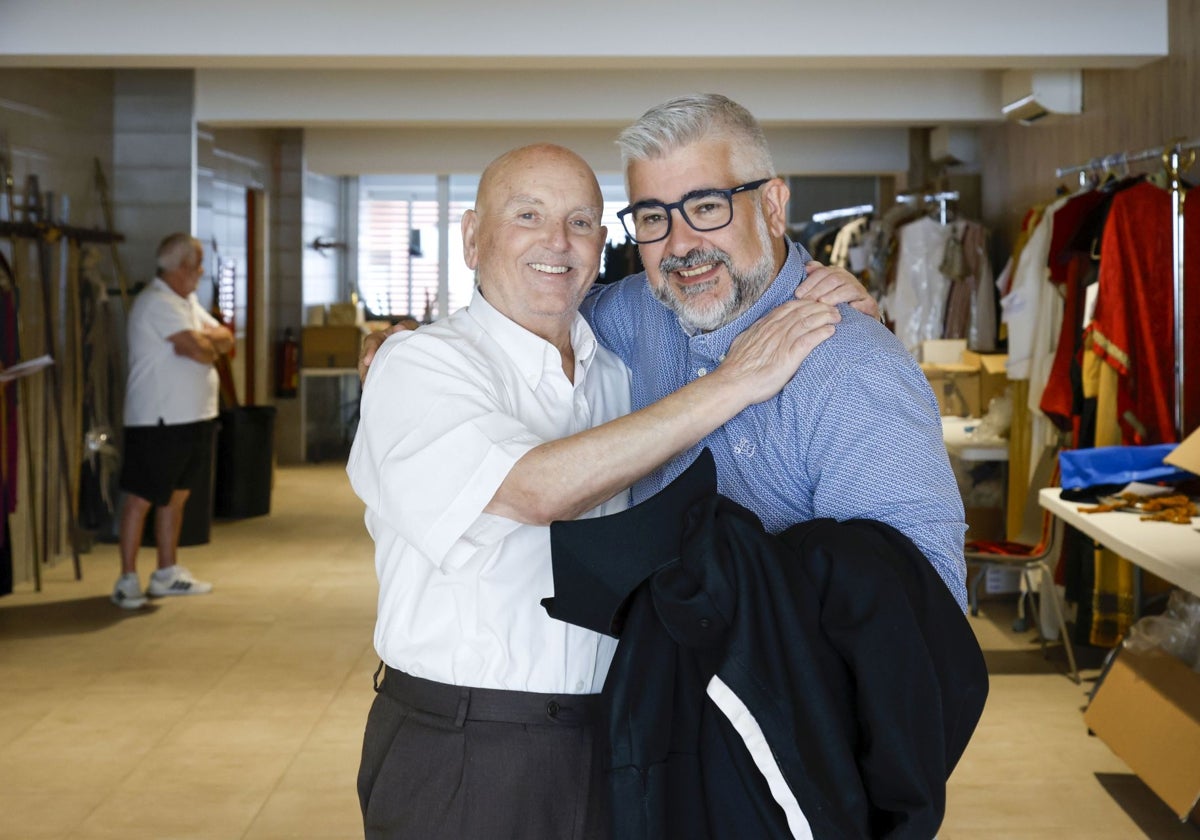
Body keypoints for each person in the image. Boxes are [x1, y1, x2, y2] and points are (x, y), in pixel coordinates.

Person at [346, 143, 843, 840]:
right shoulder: (420, 364)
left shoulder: (616, 372)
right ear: (470, 237)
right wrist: (735, 380)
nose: (558, 242)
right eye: (528, 215)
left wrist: (833, 297)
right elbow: (535, 491)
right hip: (471, 744)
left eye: (582, 223)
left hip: (614, 733)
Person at [578, 93, 967, 609]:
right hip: (650, 678)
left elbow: (924, 620)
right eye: (653, 219)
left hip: (787, 686)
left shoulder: (852, 368)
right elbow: (530, 320)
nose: (679, 245)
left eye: (707, 207)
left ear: (772, 208)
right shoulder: (639, 312)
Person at [111, 233, 230, 609]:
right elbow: (197, 350)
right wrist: (208, 344)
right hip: (158, 419)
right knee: (142, 497)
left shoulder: (187, 302)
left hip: (193, 416)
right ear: (181, 268)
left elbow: (227, 339)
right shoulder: (157, 303)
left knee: (176, 498)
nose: (201, 273)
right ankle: (127, 577)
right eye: (197, 266)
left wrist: (208, 341)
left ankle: (166, 571)